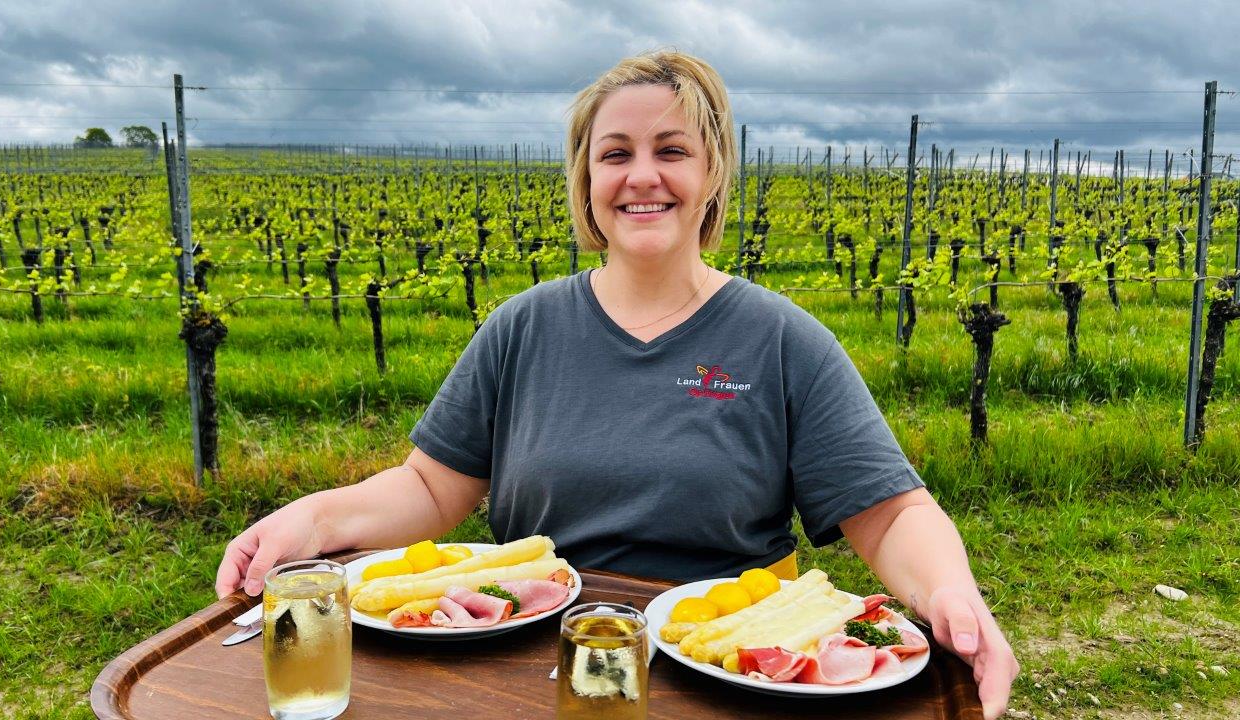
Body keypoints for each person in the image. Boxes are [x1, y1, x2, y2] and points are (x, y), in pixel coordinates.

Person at [216, 51, 1019, 718]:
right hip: (532, 665)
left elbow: (891, 513)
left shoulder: (781, 339)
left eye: (671, 151)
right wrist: (313, 518)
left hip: (728, 674)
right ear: (586, 178)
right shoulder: (522, 328)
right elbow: (429, 487)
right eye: (615, 154)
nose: (642, 176)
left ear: (712, 172)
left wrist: (952, 594)